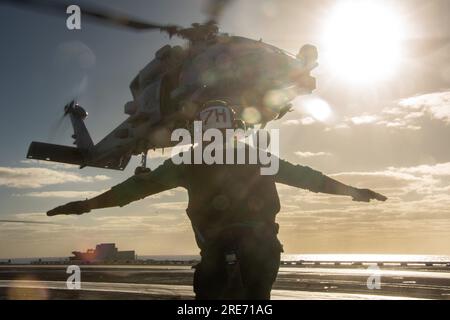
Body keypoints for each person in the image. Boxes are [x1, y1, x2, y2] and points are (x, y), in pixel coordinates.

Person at [47, 101, 387, 300]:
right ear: (235, 128)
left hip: (216, 249)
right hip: (263, 247)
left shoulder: (186, 162)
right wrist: (354, 192)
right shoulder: (257, 156)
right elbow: (309, 178)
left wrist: (85, 205)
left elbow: (133, 191)